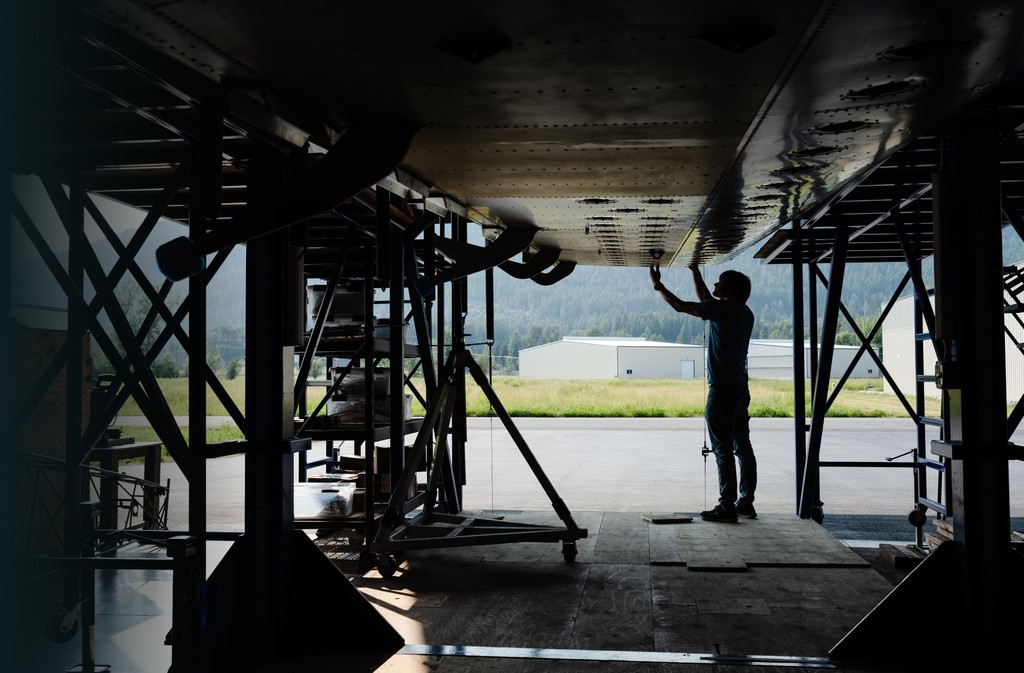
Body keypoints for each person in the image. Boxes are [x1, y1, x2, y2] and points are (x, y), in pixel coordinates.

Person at [649, 263, 757, 523]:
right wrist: (694, 270)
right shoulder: (743, 311)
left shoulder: (723, 309)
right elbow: (707, 300)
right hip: (741, 388)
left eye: (720, 282)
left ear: (730, 288)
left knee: (722, 449)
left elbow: (680, 305)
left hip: (722, 390)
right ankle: (745, 502)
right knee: (743, 448)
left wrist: (658, 285)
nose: (716, 285)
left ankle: (726, 505)